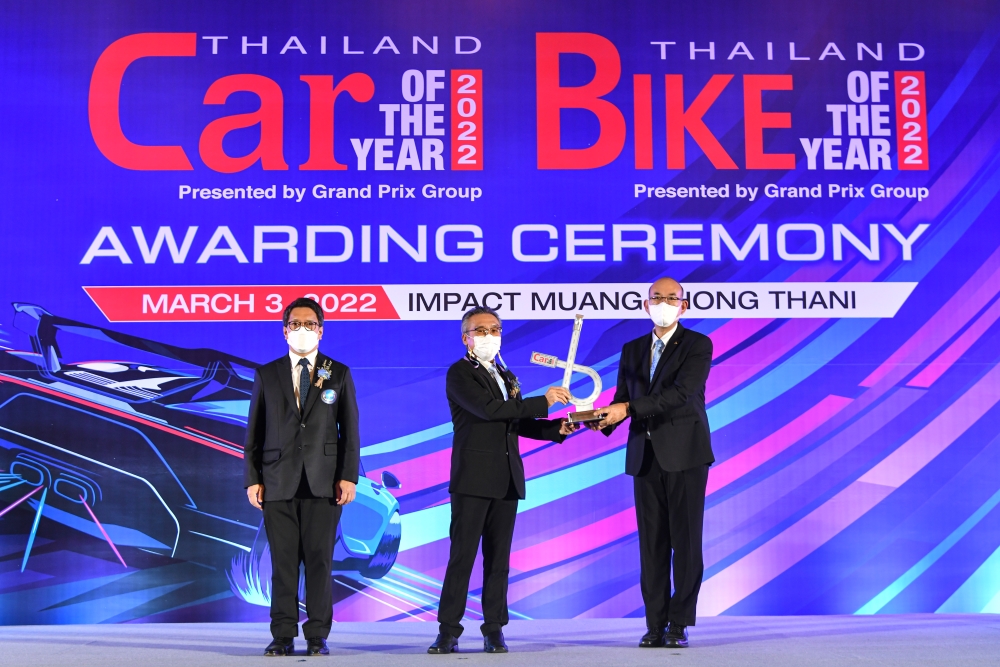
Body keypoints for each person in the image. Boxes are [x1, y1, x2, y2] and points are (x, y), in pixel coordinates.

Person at [428, 306, 577, 655]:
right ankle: (448, 631)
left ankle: (494, 629)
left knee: (499, 561)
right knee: (462, 558)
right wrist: (544, 401)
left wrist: (556, 429)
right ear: (465, 338)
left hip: (507, 478)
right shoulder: (459, 374)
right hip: (472, 480)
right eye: (480, 331)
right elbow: (490, 411)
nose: (488, 336)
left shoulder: (506, 375)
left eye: (494, 329)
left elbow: (516, 422)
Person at [589, 278, 714, 649]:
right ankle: (655, 624)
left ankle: (679, 623)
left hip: (685, 454)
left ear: (683, 305)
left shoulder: (697, 345)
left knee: (685, 543)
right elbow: (622, 399)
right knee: (652, 545)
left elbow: (680, 394)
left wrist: (627, 408)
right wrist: (601, 420)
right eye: (657, 297)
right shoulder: (631, 349)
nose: (664, 303)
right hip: (644, 457)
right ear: (646, 305)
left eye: (671, 298)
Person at [244, 297, 360, 657]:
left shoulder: (337, 372)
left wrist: (348, 476)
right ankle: (282, 635)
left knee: (320, 562)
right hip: (277, 481)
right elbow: (254, 432)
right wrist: (252, 478)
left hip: (324, 483)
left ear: (321, 331)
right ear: (285, 331)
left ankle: (317, 635)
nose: (303, 329)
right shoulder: (267, 374)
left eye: (310, 324)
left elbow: (350, 431)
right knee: (282, 563)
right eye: (295, 323)